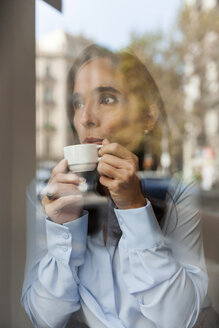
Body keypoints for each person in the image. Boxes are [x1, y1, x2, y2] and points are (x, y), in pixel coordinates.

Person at [21, 45, 209, 328]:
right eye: (78, 103)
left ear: (148, 118)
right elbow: (43, 317)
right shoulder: (47, 196)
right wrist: (64, 230)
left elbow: (181, 320)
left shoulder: (179, 194)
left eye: (106, 99)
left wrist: (135, 209)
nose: (86, 118)